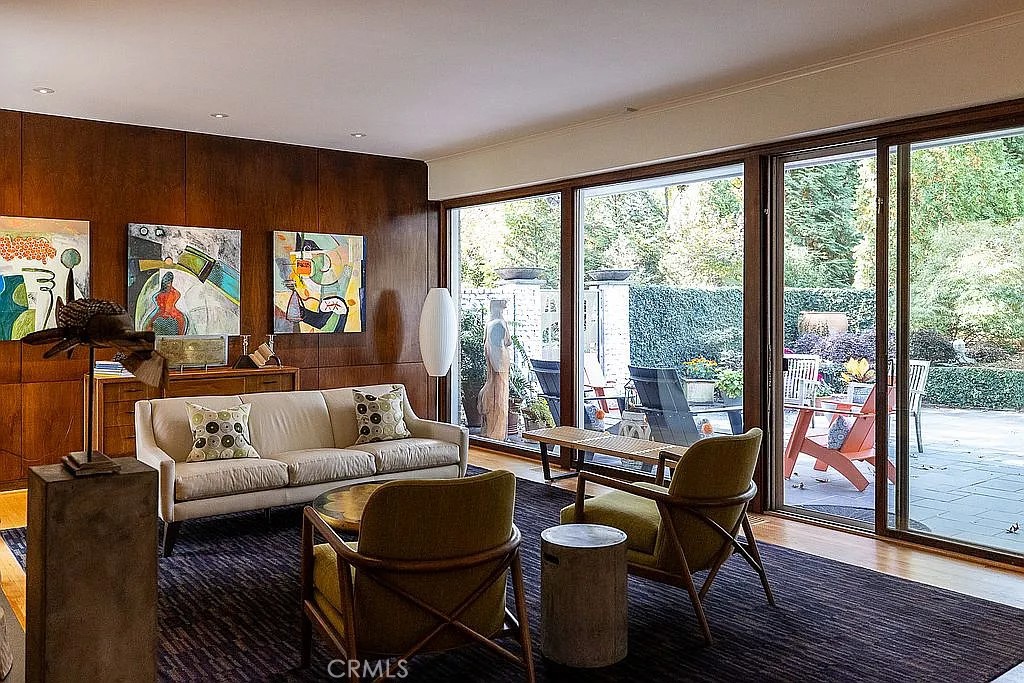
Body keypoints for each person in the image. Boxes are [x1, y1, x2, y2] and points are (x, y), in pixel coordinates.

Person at [478, 299, 512, 440]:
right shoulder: (499, 324)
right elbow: (506, 342)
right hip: (499, 365)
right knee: (499, 398)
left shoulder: (489, 324)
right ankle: (496, 433)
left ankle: (493, 432)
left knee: (495, 396)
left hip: (495, 365)